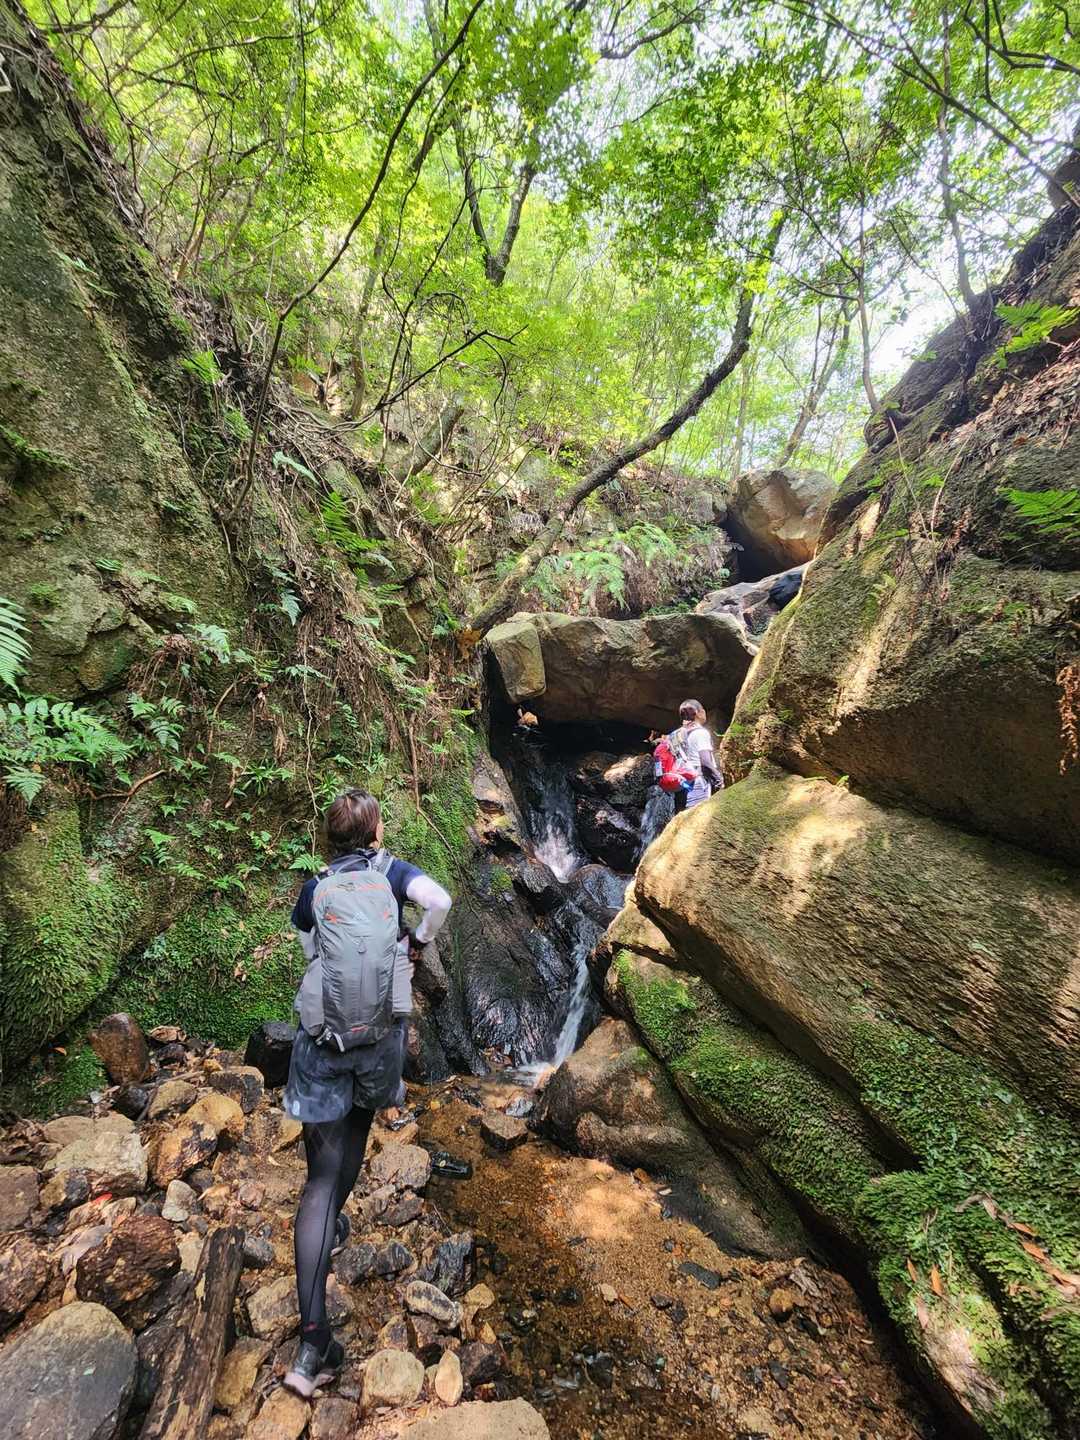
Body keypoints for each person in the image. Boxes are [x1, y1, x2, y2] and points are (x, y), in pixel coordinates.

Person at [282, 789, 452, 1397]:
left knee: (320, 1182)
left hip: (323, 1046)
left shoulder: (316, 889)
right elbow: (440, 901)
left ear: (329, 841)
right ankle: (334, 1219)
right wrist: (416, 943)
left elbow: (310, 952)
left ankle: (311, 1347)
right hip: (378, 1043)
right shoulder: (394, 874)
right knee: (353, 1141)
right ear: (375, 834)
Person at [669, 699, 724, 811]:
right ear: (700, 713)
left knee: (682, 818)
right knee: (696, 815)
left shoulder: (675, 736)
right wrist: (719, 780)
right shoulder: (700, 733)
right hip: (697, 784)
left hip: (680, 785)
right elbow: (705, 762)